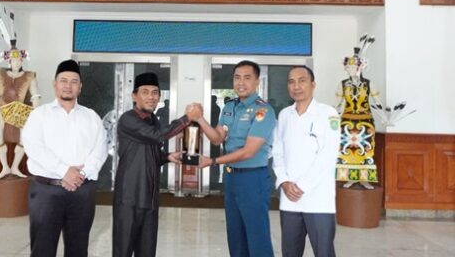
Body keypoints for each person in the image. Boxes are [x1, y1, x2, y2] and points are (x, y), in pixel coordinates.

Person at [22, 59, 108, 257]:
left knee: (78, 249)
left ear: (80, 87)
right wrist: (65, 171)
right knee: (42, 249)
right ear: (55, 84)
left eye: (74, 81)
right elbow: (34, 147)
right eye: (64, 80)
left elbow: (100, 148)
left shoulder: (91, 117)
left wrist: (80, 174)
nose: (68, 85)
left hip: (81, 192)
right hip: (46, 191)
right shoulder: (39, 115)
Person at [112, 72, 198, 257]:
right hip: (129, 197)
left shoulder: (153, 120)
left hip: (149, 198)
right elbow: (157, 135)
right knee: (123, 249)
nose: (151, 97)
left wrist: (167, 157)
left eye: (155, 92)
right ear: (134, 96)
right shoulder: (128, 119)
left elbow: (149, 153)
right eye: (145, 92)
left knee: (147, 250)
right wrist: (187, 118)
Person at [197, 60, 276, 257]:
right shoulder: (229, 107)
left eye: (247, 78)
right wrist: (199, 119)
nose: (241, 82)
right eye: (237, 78)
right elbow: (217, 138)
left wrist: (213, 162)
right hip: (231, 178)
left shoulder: (263, 111)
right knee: (235, 234)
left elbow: (249, 151)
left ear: (257, 81)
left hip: (253, 179)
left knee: (257, 235)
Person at [272, 66, 341, 257]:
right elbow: (278, 151)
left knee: (324, 252)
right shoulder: (284, 115)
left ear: (313, 84)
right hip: (290, 200)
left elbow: (328, 155)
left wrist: (302, 186)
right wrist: (284, 181)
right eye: (291, 82)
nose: (296, 86)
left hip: (318, 199)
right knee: (290, 252)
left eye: (302, 80)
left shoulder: (328, 114)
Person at [0, 44, 40, 179]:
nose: (16, 63)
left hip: (20, 111)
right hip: (2, 109)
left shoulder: (30, 77)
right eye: (14, 60)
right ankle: (5, 167)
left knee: (24, 137)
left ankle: (15, 167)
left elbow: (36, 95)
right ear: (9, 61)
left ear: (22, 61)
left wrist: (36, 112)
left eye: (19, 60)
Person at [335, 47, 381, 189]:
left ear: (360, 67)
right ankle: (350, 177)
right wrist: (333, 116)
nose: (348, 70)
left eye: (352, 67)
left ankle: (364, 179)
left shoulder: (368, 84)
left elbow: (377, 103)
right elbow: (338, 104)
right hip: (346, 122)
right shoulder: (342, 84)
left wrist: (385, 117)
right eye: (347, 67)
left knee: (366, 151)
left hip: (366, 122)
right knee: (347, 150)